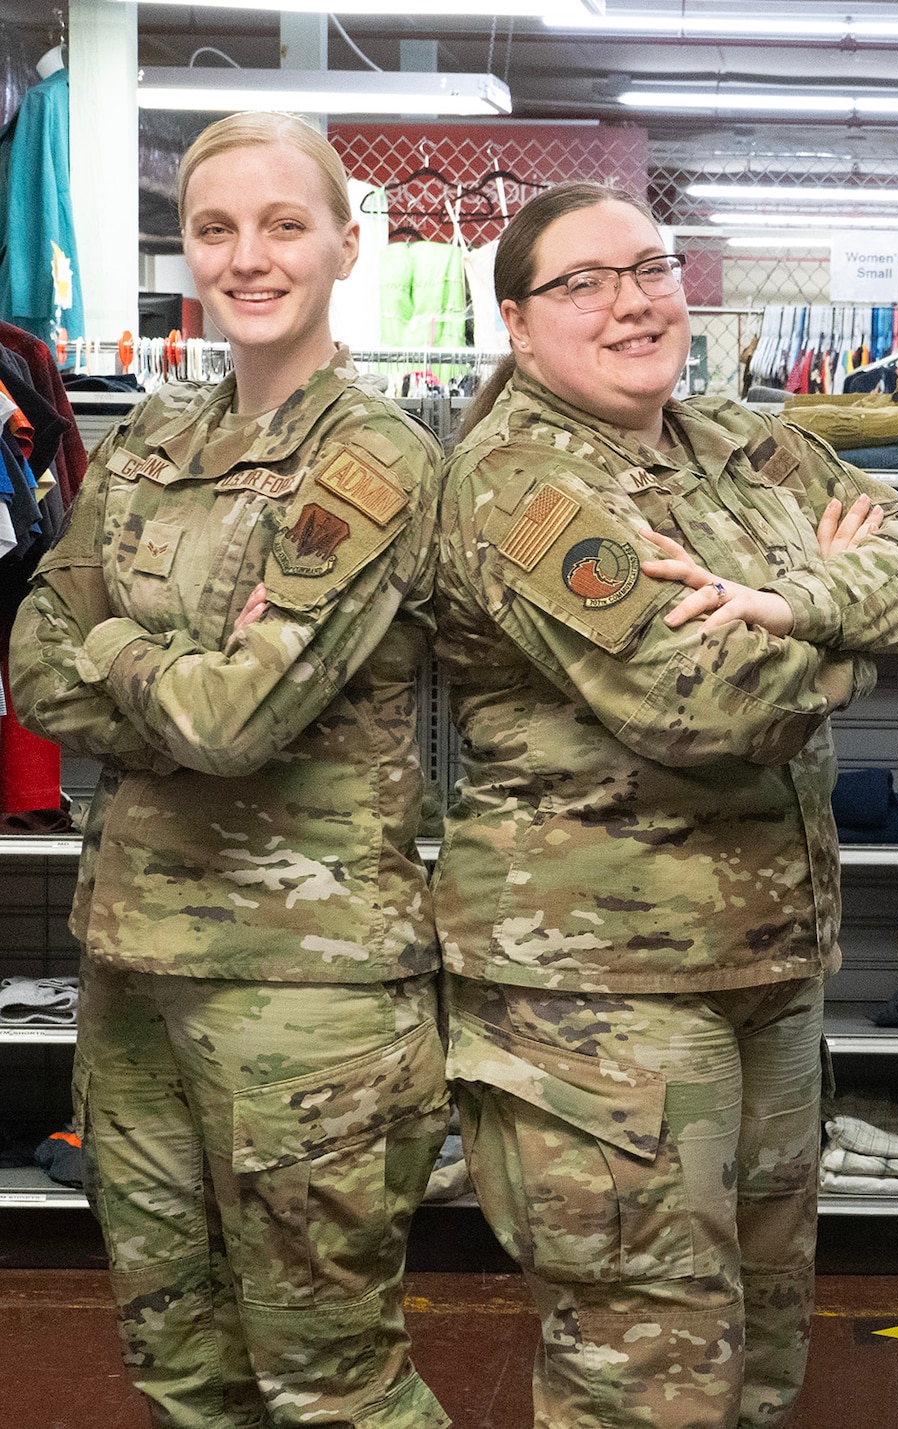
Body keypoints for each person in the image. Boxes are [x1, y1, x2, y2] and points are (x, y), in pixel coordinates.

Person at [431, 181, 898, 1428]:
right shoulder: (521, 488)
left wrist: (787, 604)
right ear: (516, 323)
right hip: (597, 995)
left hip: (763, 961)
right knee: (645, 1370)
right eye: (582, 284)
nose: (630, 303)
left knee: (762, 1348)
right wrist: (828, 593)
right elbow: (702, 702)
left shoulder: (734, 436)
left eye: (650, 268)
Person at [10, 112, 449, 1428]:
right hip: (134, 960)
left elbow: (230, 724)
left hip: (302, 990)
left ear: (343, 246)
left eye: (282, 225)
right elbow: (33, 654)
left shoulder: (376, 460)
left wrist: (118, 649)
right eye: (215, 229)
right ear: (187, 252)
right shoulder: (149, 442)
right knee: (181, 1364)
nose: (247, 257)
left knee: (332, 1381)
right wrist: (168, 659)